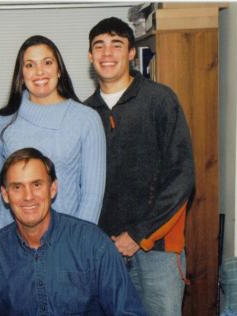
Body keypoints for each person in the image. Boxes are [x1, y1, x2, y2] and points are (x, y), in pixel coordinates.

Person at [84, 17, 195, 316]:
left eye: (116, 45)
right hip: (104, 252)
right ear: (90, 55)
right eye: (99, 46)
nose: (107, 53)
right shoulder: (83, 113)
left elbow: (182, 177)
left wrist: (137, 235)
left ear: (132, 52)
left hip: (157, 250)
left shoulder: (160, 100)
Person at [0, 147, 146, 316]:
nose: (28, 196)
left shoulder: (93, 245)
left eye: (37, 185)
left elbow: (128, 311)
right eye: (17, 187)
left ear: (53, 189)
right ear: (5, 195)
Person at [0, 35, 106, 232]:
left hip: (65, 239)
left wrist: (78, 243)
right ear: (21, 75)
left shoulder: (86, 119)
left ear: (58, 69)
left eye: (47, 62)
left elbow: (92, 196)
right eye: (30, 65)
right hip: (7, 237)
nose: (39, 71)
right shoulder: (4, 121)